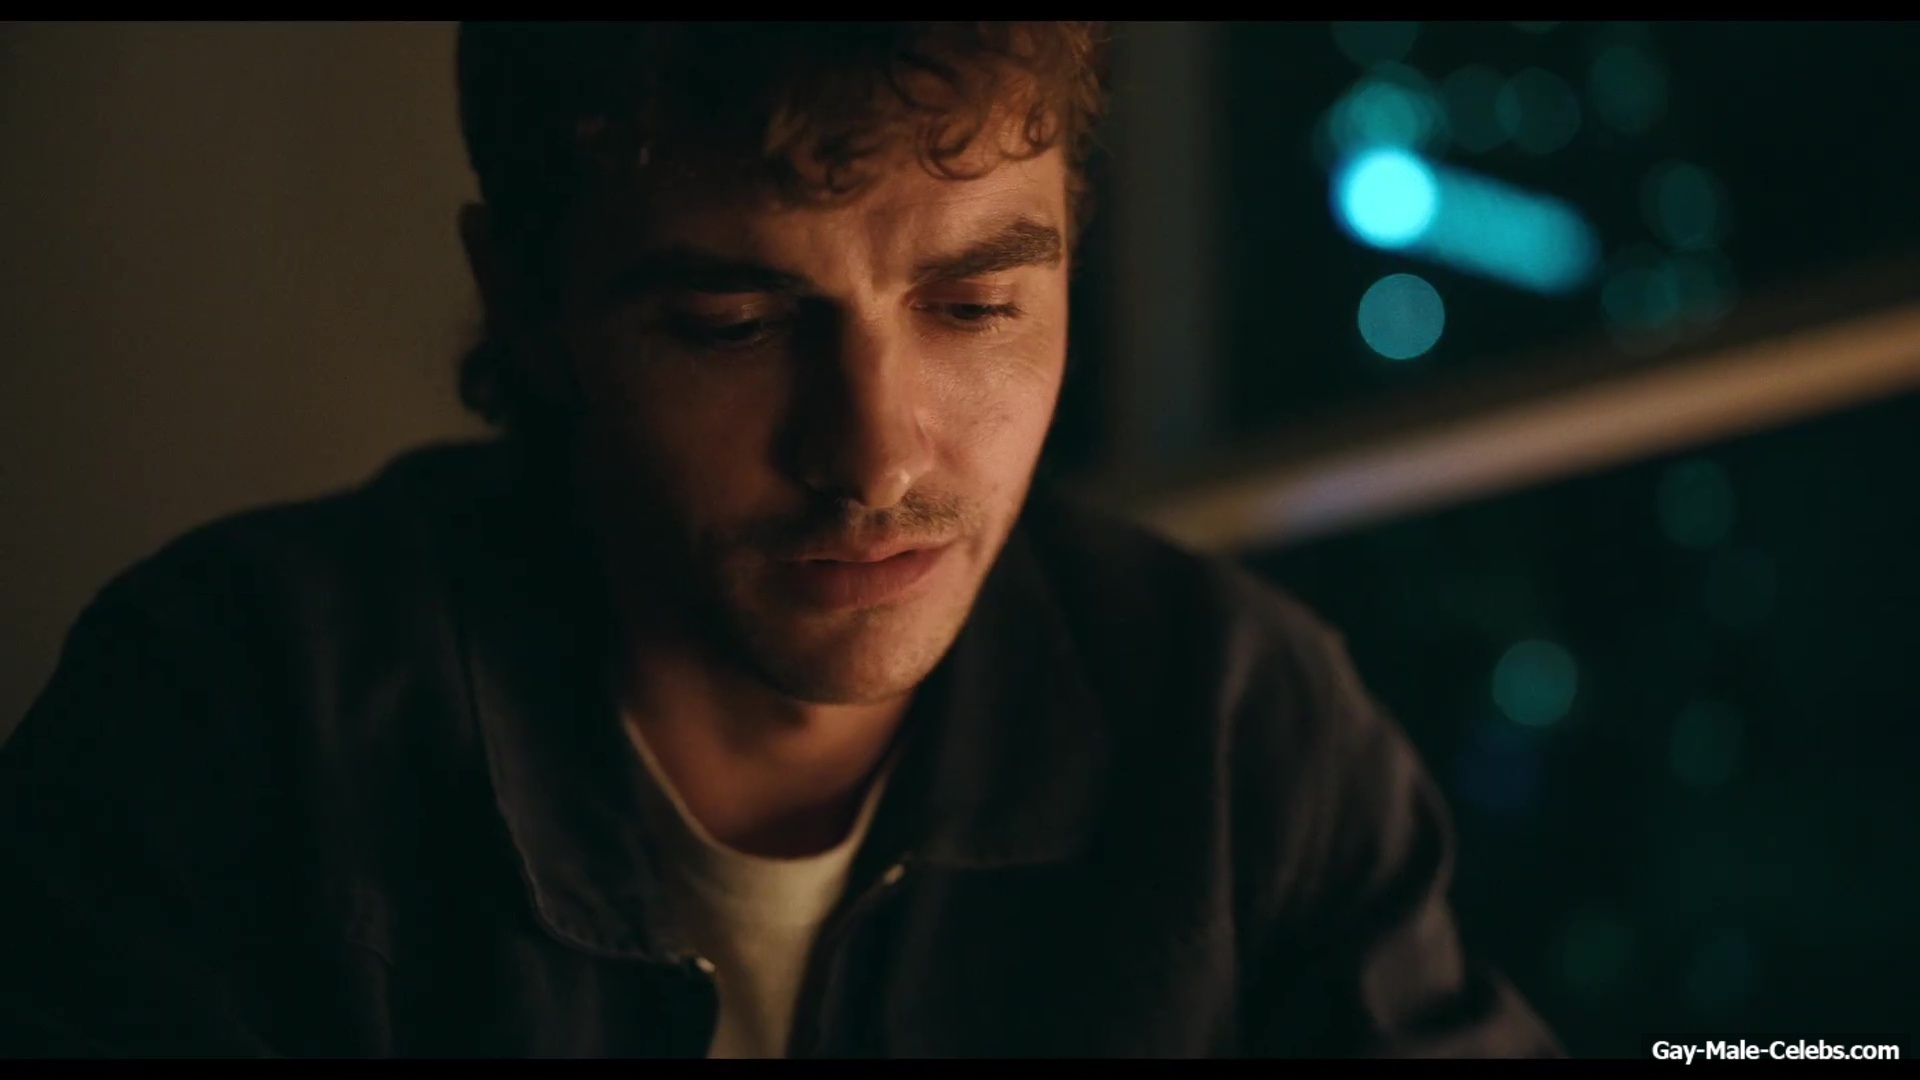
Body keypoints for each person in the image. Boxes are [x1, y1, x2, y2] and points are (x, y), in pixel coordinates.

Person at [0, 22, 1560, 1058]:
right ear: (527, 302)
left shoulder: (1240, 731)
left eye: (975, 306)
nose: (873, 457)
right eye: (733, 325)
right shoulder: (221, 724)